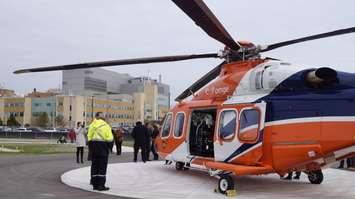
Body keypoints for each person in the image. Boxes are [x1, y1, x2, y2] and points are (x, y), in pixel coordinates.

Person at [87, 112, 114, 191]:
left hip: (93, 148)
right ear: (103, 118)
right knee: (102, 167)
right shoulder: (106, 126)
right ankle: (101, 185)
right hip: (103, 148)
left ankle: (95, 185)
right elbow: (110, 139)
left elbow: (89, 137)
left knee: (94, 167)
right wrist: (110, 147)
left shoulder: (92, 125)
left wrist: (91, 148)